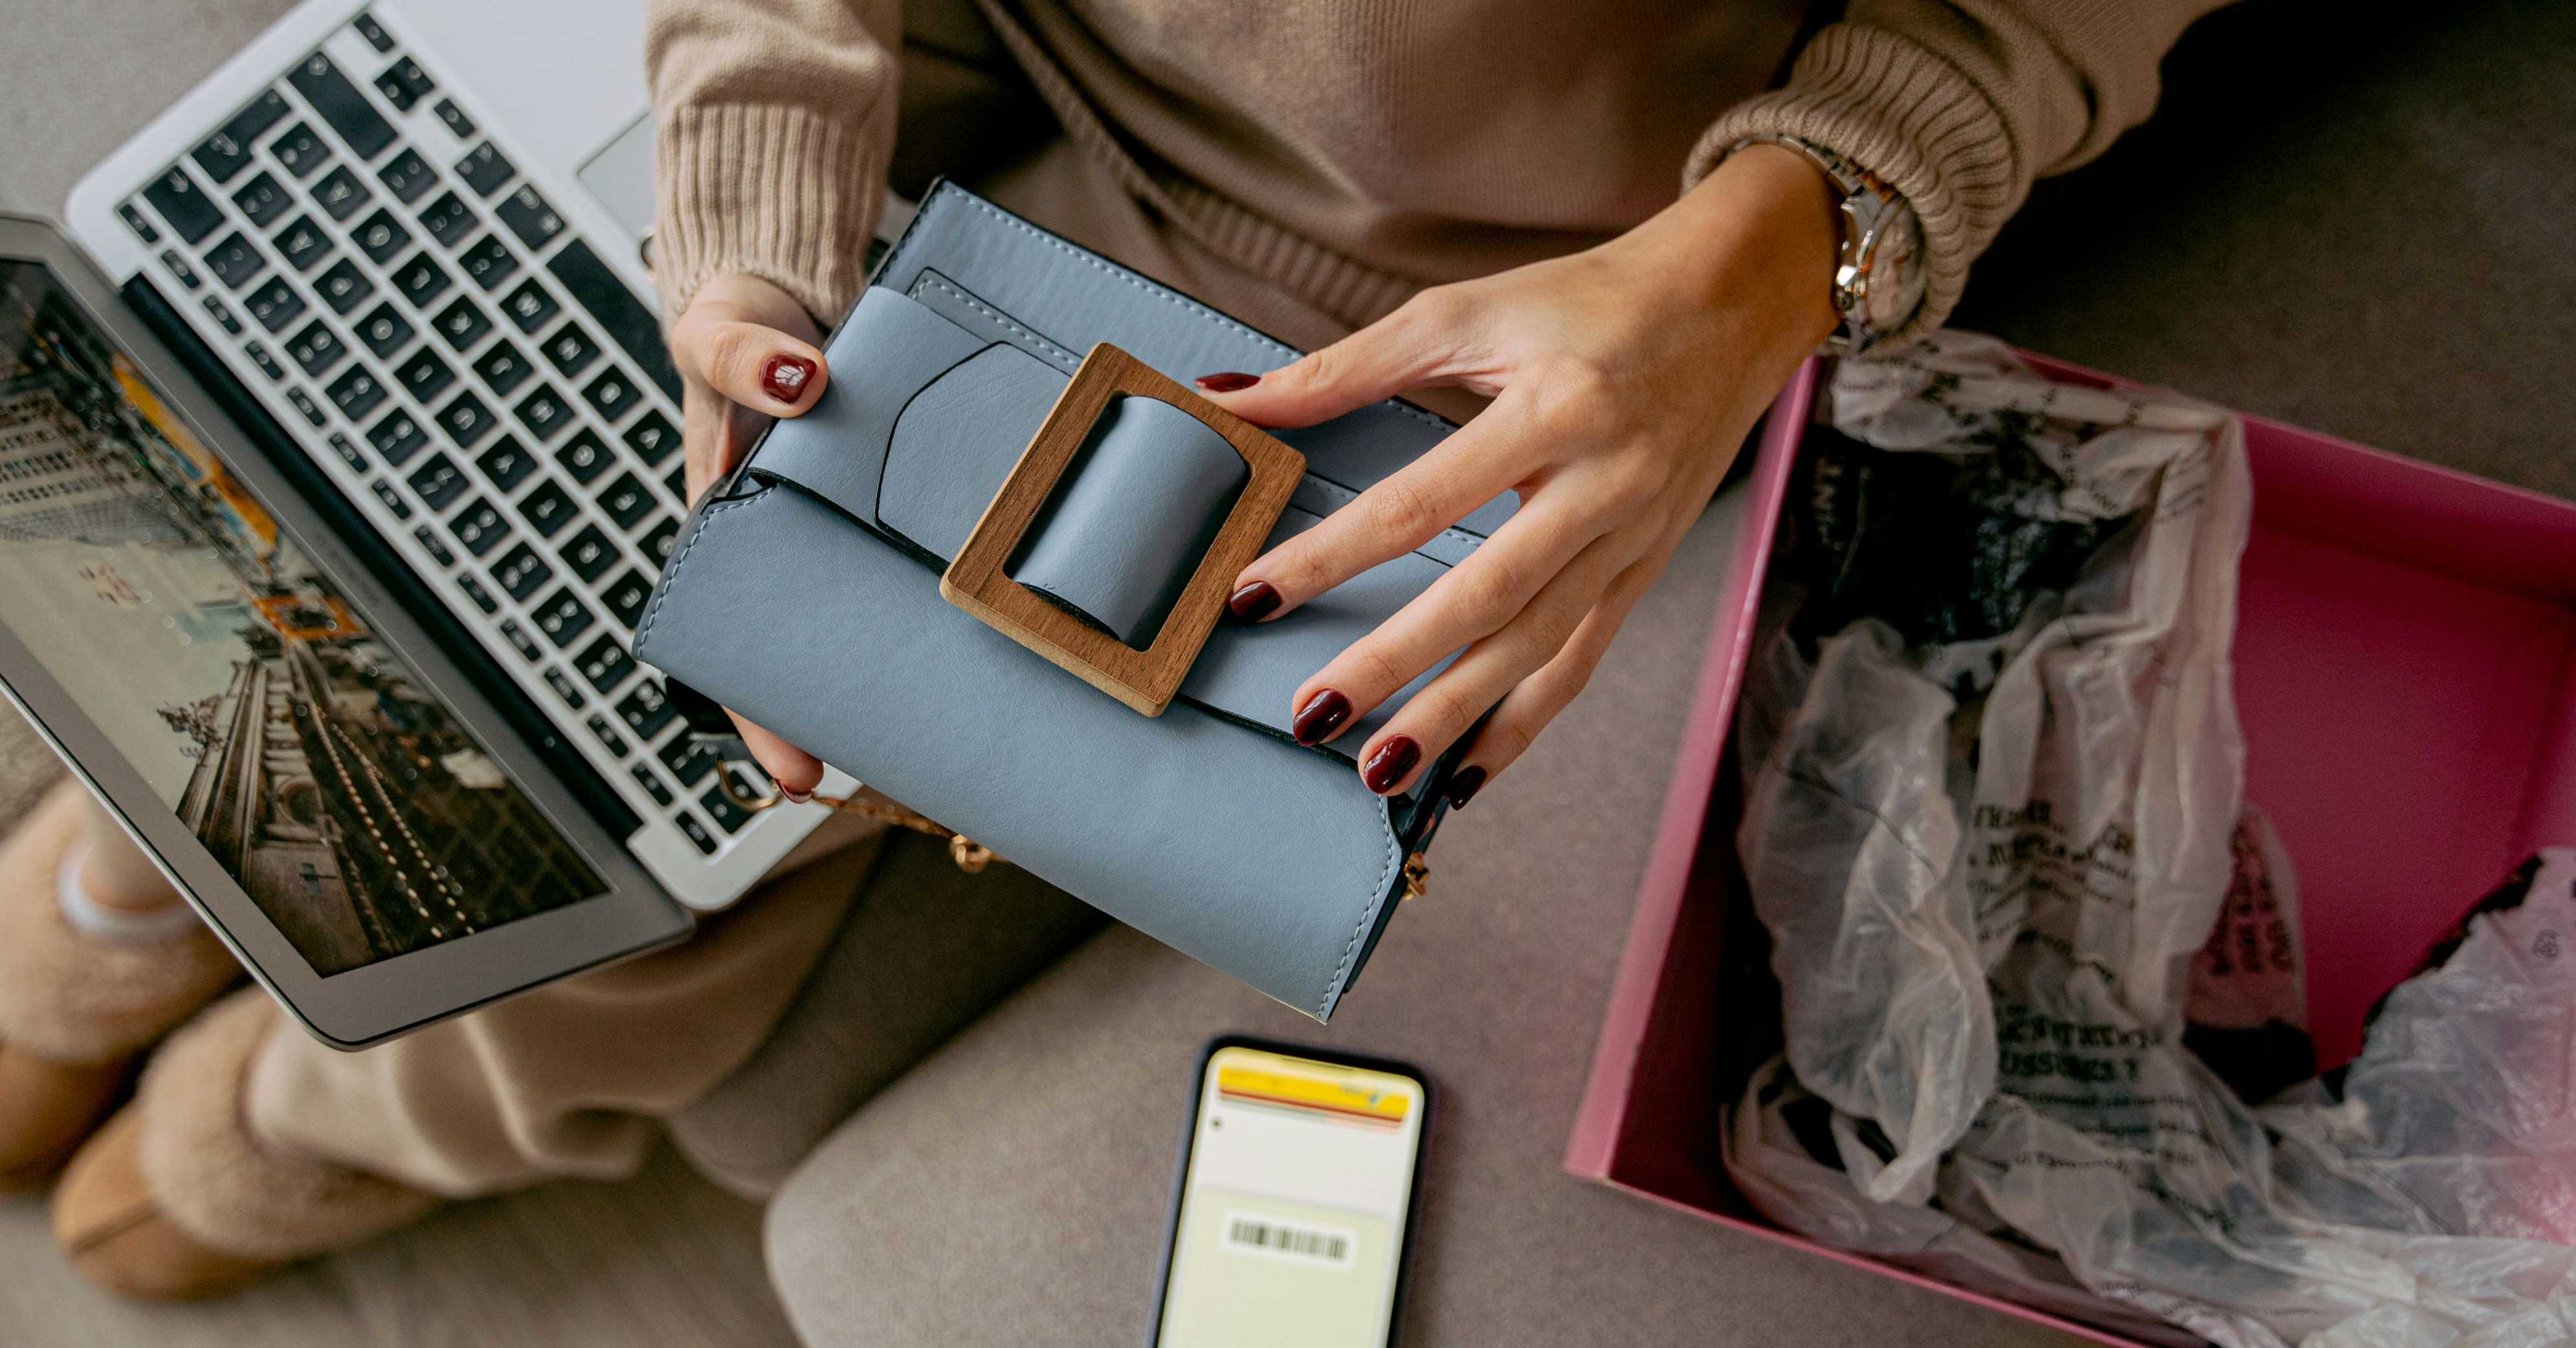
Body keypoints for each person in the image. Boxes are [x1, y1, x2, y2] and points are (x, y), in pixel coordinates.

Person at [3, 0, 2225, 1298]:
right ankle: (124, 875)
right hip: (889, 40)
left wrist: (1763, 265)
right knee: (330, 422)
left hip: (1410, 279)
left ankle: (332, 1102)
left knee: (698, 796)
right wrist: (756, 187)